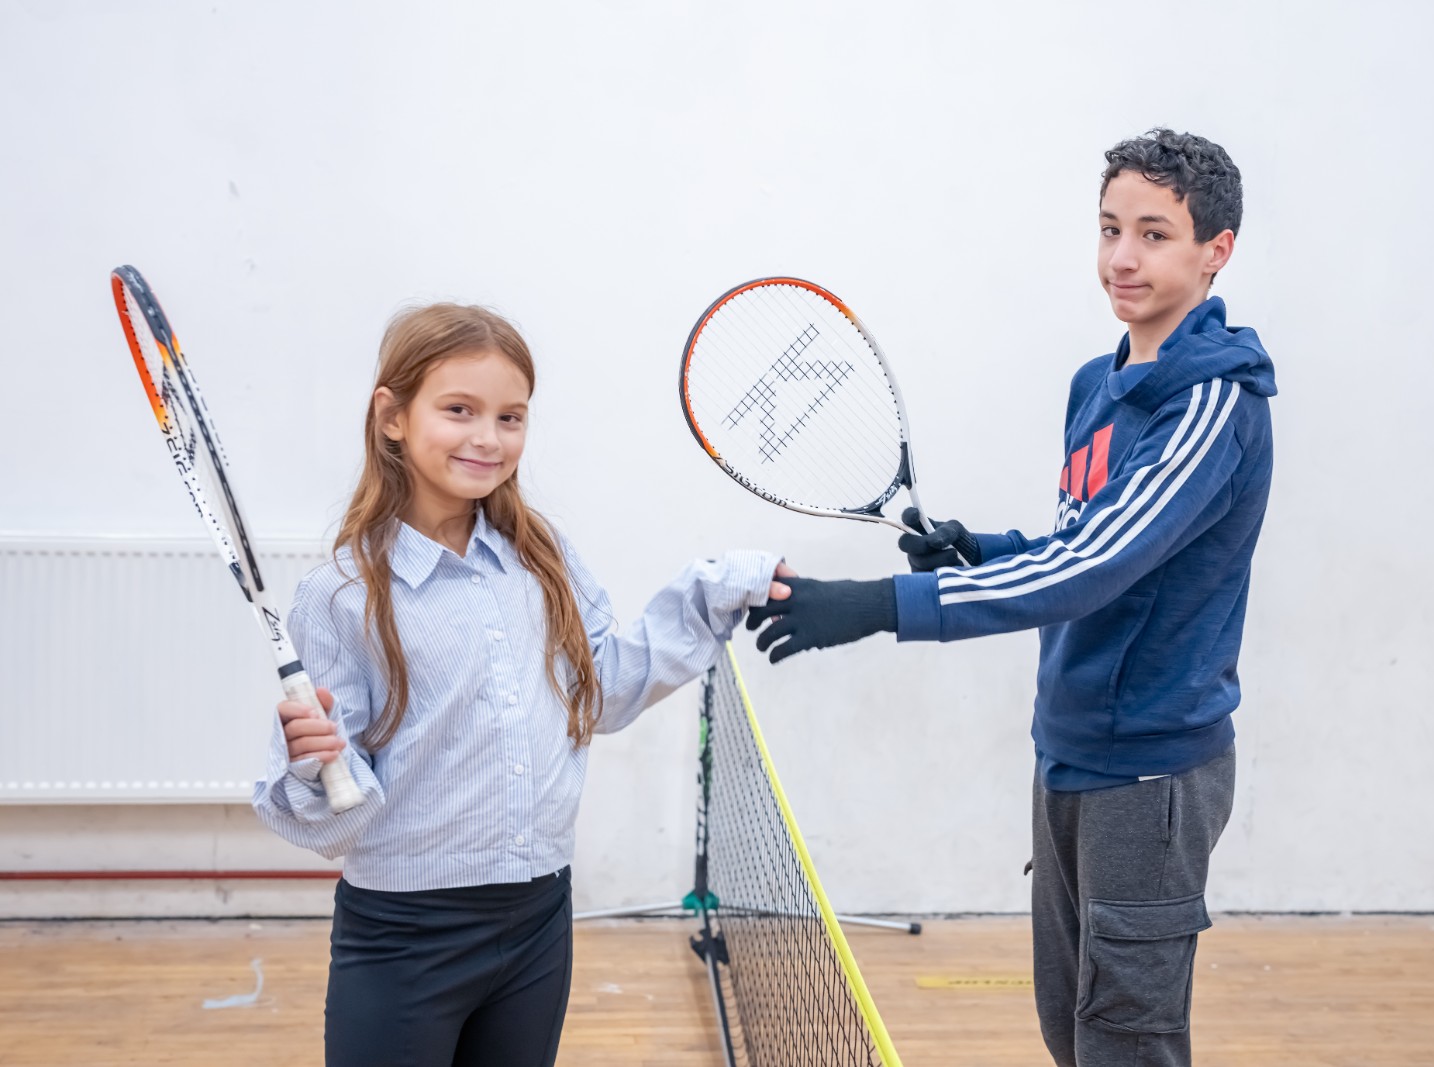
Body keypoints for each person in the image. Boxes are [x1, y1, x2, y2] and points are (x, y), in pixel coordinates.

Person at [745, 128, 1275, 1066]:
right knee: (1070, 1031)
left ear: (1215, 250)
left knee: (1125, 1045)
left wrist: (878, 604)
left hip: (1148, 773)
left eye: (1155, 233)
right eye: (1110, 227)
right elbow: (1082, 541)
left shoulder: (1212, 404)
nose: (1121, 257)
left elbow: (1089, 571)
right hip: (1066, 752)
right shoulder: (1098, 385)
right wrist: (978, 551)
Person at [251, 302, 791, 1067]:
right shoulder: (341, 595)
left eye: (511, 416)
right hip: (405, 938)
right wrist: (313, 761)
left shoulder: (544, 558)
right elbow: (338, 817)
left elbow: (601, 690)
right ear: (393, 415)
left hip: (538, 922)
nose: (488, 438)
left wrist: (713, 591)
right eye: (459, 410)